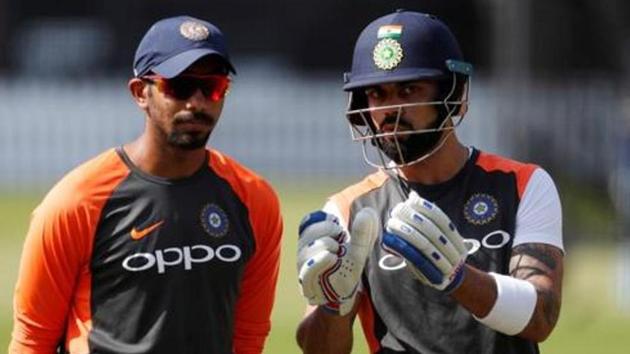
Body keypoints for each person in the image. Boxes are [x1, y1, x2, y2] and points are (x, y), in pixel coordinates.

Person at [10, 15, 282, 354]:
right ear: (140, 92)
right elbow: (32, 341)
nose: (196, 103)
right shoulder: (77, 202)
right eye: (179, 87)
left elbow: (248, 337)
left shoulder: (254, 199)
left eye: (212, 87)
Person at [296, 10, 563, 354]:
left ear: (453, 92)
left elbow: (542, 317)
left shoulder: (522, 184)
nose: (391, 109)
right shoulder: (348, 210)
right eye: (377, 94)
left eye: (409, 89)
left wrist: (457, 278)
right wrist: (334, 303)